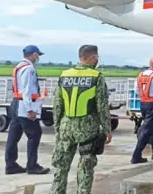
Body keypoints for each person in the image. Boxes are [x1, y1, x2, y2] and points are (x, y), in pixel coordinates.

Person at [51, 45, 112, 194]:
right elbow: (102, 106)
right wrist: (107, 129)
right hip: (87, 128)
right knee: (85, 166)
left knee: (61, 167)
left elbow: (57, 104)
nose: (97, 60)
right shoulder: (96, 76)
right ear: (92, 57)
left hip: (66, 126)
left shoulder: (64, 75)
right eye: (96, 57)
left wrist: (57, 126)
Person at [5, 45, 50, 175]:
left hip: (15, 103)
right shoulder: (29, 69)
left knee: (13, 136)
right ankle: (32, 165)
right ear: (34, 54)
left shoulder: (19, 66)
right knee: (35, 133)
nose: (38, 58)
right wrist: (30, 109)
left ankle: (11, 165)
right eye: (38, 55)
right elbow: (26, 90)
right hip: (24, 106)